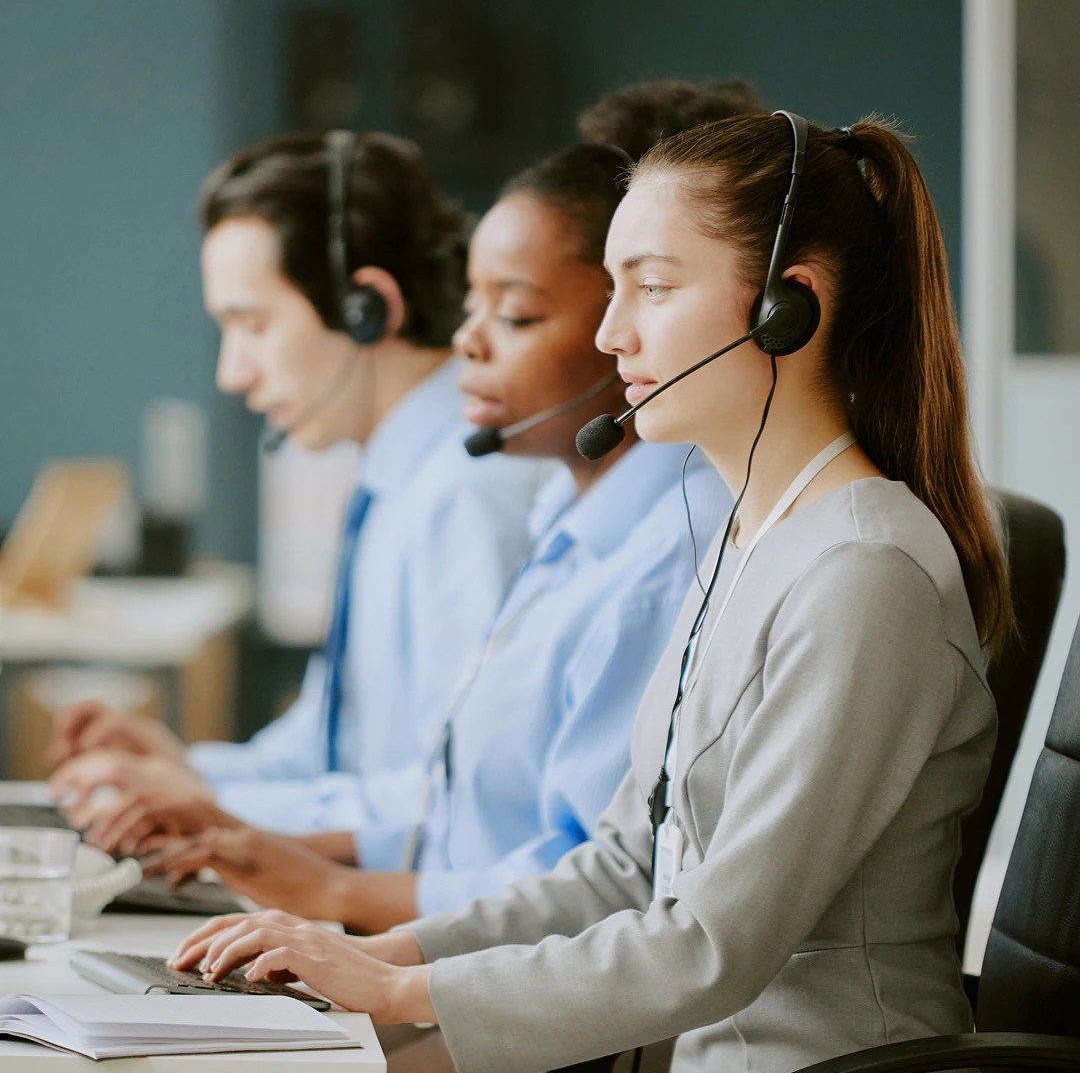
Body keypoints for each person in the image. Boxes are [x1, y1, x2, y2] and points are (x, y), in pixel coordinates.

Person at [171, 111, 1011, 1073]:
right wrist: (380, 954)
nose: (613, 333)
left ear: (789, 304)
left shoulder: (866, 574)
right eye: (614, 290)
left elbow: (712, 945)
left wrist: (404, 995)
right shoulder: (746, 537)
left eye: (652, 288)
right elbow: (620, 870)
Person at [88, 84, 756, 940]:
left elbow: (582, 870)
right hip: (455, 939)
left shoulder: (498, 500)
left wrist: (297, 869)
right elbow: (427, 779)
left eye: (252, 324)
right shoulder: (552, 505)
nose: (232, 371)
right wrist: (203, 790)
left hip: (502, 964)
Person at [47, 131, 546, 869]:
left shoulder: (471, 494)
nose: (231, 372)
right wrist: (184, 773)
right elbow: (329, 748)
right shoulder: (398, 480)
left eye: (252, 324)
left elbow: (454, 802)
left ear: (365, 308)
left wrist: (201, 802)